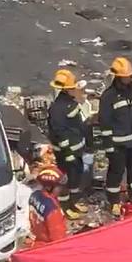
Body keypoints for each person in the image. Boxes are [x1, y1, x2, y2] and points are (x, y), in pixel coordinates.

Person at [99, 57, 132, 216]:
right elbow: (105, 123)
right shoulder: (108, 96)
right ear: (119, 77)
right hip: (118, 143)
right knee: (116, 172)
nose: (130, 78)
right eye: (127, 76)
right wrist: (108, 146)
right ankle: (114, 201)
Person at [47, 68, 88, 220]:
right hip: (66, 153)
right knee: (65, 180)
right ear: (66, 89)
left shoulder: (69, 103)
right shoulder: (58, 109)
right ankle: (65, 207)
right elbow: (60, 133)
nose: (75, 90)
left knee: (75, 178)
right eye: (73, 88)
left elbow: (75, 125)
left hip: (75, 149)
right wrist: (68, 153)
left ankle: (73, 203)